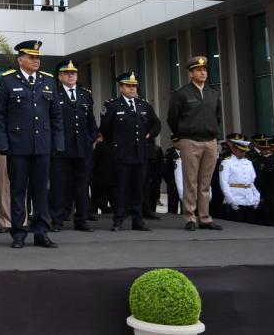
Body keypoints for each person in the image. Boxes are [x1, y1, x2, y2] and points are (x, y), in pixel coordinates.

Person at [0, 40, 63, 249]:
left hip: (42, 145)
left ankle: (41, 232)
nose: (36, 61)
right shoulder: (7, 81)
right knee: (18, 191)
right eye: (31, 57)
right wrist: (2, 144)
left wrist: (57, 142)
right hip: (18, 146)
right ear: (20, 59)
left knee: (41, 190)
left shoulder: (48, 81)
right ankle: (19, 233)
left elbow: (56, 116)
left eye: (38, 57)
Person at [167, 56, 224, 232]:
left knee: (206, 183)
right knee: (190, 181)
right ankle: (190, 217)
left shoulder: (213, 93)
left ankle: (205, 217)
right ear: (191, 73)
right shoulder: (182, 94)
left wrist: (213, 134)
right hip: (190, 141)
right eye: (199, 70)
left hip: (210, 141)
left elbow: (218, 117)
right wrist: (180, 135)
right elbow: (172, 118)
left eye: (205, 70)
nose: (203, 73)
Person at [99, 72, 161, 232]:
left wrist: (149, 134)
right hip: (121, 154)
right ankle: (118, 219)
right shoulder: (112, 106)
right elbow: (105, 130)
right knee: (120, 188)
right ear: (121, 88)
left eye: (134, 85)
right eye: (129, 86)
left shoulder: (143, 105)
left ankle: (137, 220)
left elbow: (156, 124)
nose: (132, 89)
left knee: (138, 188)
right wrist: (117, 144)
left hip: (140, 154)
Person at [49, 59, 98, 232]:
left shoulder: (86, 94)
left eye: (73, 73)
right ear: (60, 76)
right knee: (58, 185)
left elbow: (91, 122)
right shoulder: (54, 94)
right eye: (67, 73)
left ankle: (81, 219)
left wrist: (90, 139)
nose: (71, 76)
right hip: (61, 149)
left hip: (82, 149)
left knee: (82, 186)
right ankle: (57, 219)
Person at [218, 134, 260, 224]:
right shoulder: (226, 162)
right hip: (236, 199)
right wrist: (230, 200)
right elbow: (223, 183)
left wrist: (257, 196)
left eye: (245, 151)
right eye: (241, 151)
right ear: (234, 149)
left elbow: (252, 182)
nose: (243, 153)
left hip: (249, 200)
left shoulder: (248, 162)